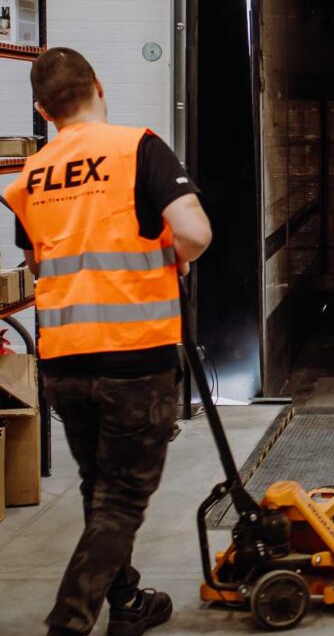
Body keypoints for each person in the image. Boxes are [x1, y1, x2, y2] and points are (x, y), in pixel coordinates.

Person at [5, 47, 212, 636]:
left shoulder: (31, 176)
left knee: (98, 488)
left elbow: (36, 261)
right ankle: (68, 623)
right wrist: (171, 257)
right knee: (122, 499)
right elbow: (195, 231)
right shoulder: (136, 147)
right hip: (134, 354)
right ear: (98, 84)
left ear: (44, 112)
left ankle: (126, 600)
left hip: (65, 360)